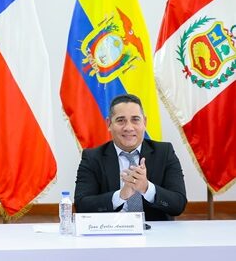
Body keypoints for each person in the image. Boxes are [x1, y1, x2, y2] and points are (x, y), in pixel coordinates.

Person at [75, 93, 187, 221]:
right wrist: (120, 196)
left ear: (144, 122)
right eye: (120, 120)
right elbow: (81, 206)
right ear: (109, 124)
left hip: (155, 230)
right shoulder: (92, 157)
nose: (128, 128)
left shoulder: (164, 152)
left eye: (135, 119)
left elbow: (178, 205)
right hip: (110, 229)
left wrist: (146, 188)